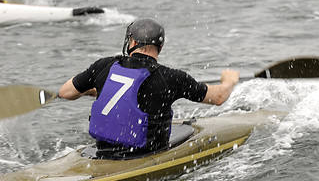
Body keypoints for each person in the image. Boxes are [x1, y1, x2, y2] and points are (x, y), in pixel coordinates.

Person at [59, 18, 239, 158]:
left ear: (132, 42)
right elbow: (218, 97)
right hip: (145, 155)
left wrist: (96, 89)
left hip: (104, 153)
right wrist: (229, 80)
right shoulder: (171, 78)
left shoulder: (103, 66)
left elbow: (66, 92)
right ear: (160, 47)